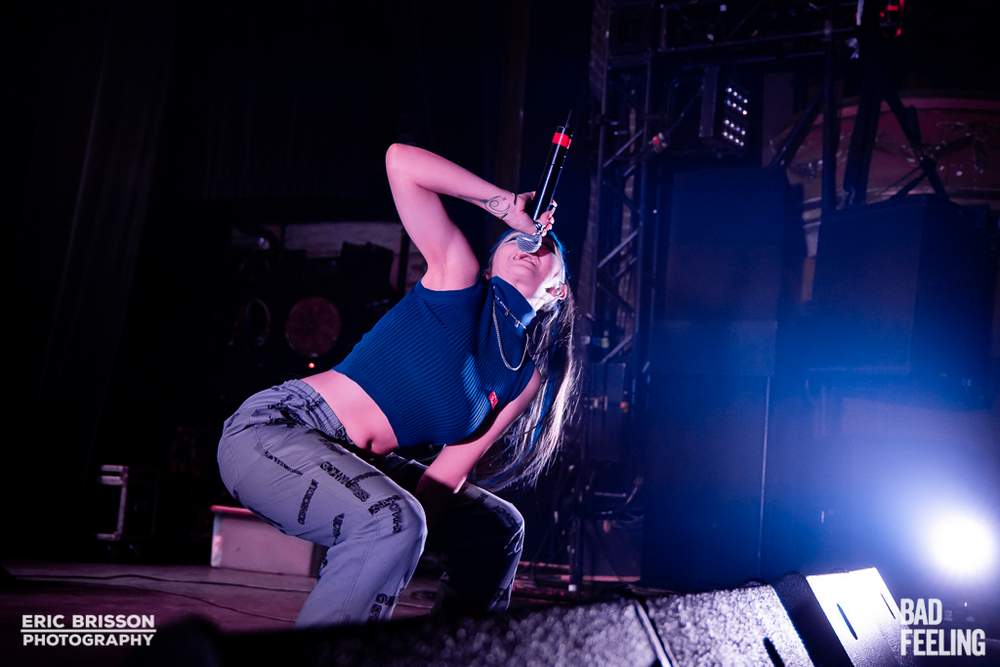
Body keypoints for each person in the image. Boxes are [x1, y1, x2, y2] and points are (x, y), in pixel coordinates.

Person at [216, 143, 579, 627]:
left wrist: (387, 548)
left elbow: (443, 480)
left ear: (558, 290)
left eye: (546, 246)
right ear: (493, 264)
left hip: (358, 466)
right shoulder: (458, 281)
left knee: (496, 527)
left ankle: (451, 653)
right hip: (276, 430)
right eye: (515, 239)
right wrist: (505, 205)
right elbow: (400, 162)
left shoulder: (522, 378)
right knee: (393, 520)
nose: (529, 244)